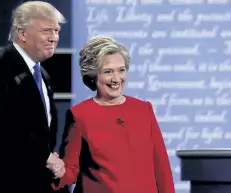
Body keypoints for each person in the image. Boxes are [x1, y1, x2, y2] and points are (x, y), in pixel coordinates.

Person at [49, 35, 175, 193]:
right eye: (108, 72)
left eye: (121, 70)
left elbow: (162, 168)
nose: (116, 79)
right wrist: (59, 171)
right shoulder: (79, 115)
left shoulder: (143, 109)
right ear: (93, 76)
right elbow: (70, 170)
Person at [0, 1, 69, 192]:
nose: (54, 38)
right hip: (8, 180)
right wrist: (44, 155)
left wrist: (49, 157)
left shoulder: (43, 74)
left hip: (40, 181)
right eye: (47, 31)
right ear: (22, 33)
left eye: (56, 31)